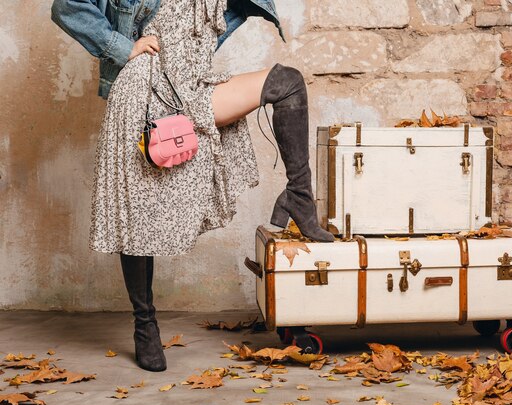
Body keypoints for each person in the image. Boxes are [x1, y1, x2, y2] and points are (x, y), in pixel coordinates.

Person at [50, 0, 334, 372]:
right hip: (143, 88)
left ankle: (298, 198)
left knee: (287, 83)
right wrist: (123, 48)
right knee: (139, 215)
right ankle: (145, 323)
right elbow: (66, 6)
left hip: (192, 86)